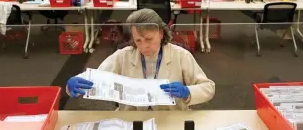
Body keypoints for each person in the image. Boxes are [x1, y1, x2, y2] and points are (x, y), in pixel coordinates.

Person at [66, 9, 215, 111]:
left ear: (161, 33)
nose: (144, 46)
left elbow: (208, 87)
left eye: (149, 39)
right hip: (131, 120)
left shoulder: (181, 56)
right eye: (138, 40)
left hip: (171, 118)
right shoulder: (124, 55)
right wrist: (73, 83)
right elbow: (95, 77)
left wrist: (187, 92)